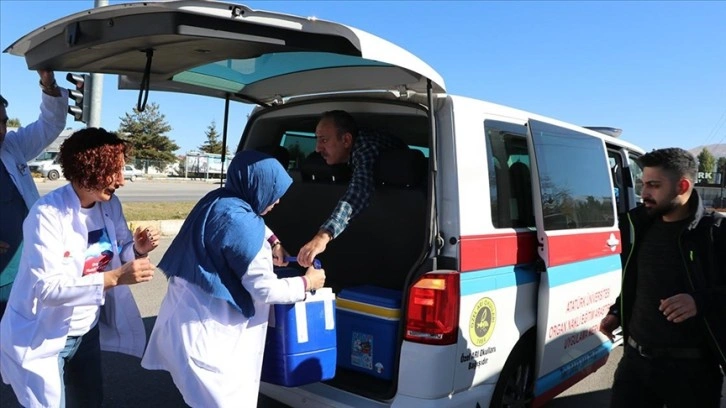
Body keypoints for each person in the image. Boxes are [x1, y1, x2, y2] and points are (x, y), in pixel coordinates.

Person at [141, 150, 326, 408]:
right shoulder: (243, 224)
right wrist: (308, 283)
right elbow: (264, 289)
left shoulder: (220, 200)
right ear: (258, 185)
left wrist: (273, 241)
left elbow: (249, 222)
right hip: (207, 338)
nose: (279, 200)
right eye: (275, 191)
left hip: (186, 322)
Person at [0, 128, 160, 408]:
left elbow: (118, 249)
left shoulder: (109, 205)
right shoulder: (47, 215)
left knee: (89, 401)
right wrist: (116, 277)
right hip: (44, 333)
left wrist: (136, 249)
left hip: (86, 331)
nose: (122, 181)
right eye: (114, 172)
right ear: (88, 169)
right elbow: (48, 289)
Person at [599, 147, 725, 408]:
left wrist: (699, 301)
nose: (644, 193)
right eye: (643, 184)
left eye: (654, 185)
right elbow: (637, 281)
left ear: (682, 185)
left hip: (693, 372)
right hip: (635, 363)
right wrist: (617, 312)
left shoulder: (714, 232)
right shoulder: (639, 226)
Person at [295, 110, 407, 266]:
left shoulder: (367, 147)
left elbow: (359, 191)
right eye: (317, 140)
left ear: (346, 140)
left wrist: (323, 237)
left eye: (324, 140)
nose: (317, 149)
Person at [0, 70, 69, 319]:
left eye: (4, 122)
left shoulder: (12, 146)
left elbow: (50, 125)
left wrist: (48, 85)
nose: (1, 130)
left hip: (25, 270)